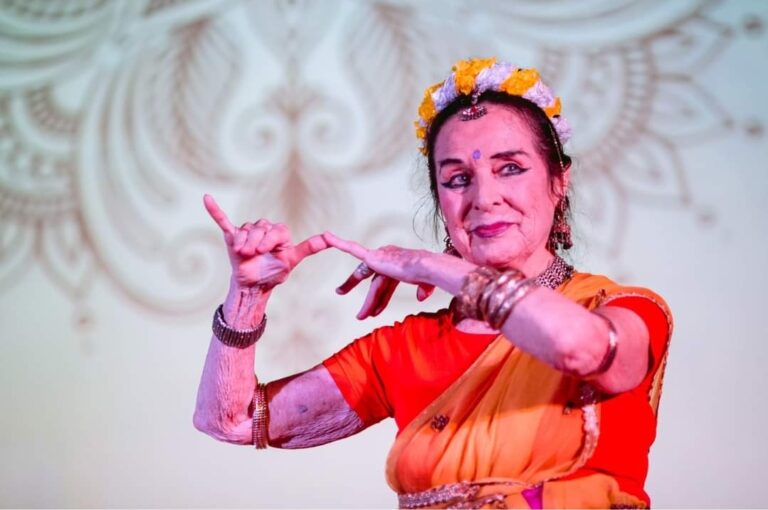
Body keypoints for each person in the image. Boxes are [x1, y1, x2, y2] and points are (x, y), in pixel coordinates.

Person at [194, 57, 672, 509]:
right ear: (439, 198)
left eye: (510, 168)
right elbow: (232, 421)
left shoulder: (622, 309)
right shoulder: (404, 350)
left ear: (558, 180)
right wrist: (247, 297)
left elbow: (578, 349)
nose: (484, 198)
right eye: (458, 178)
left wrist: (434, 267)